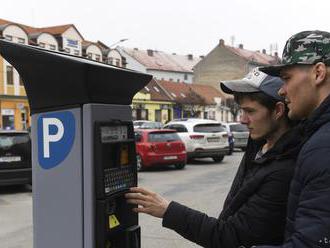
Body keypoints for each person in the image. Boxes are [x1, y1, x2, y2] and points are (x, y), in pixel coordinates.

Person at [126, 68, 302, 248]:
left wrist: (167, 210)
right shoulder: (260, 146)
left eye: (250, 111)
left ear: (278, 110)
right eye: (241, 111)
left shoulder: (284, 169)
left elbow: (230, 237)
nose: (242, 120)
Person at [254, 30, 330, 248]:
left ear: (318, 73)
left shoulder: (324, 147)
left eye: (287, 78)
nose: (282, 90)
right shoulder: (317, 135)